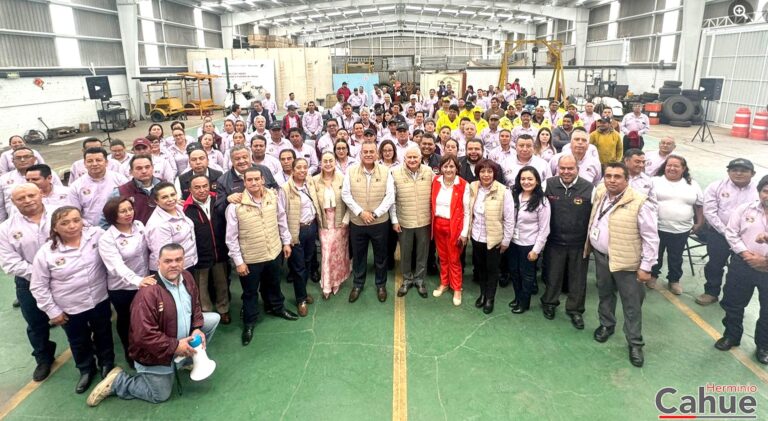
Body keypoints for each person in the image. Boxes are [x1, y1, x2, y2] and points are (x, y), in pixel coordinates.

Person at [86, 244, 220, 406]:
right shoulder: (147, 294)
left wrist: (197, 327)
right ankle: (118, 382)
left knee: (212, 319)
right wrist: (175, 346)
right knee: (160, 395)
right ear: (158, 263)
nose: (174, 264)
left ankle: (183, 361)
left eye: (178, 260)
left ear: (184, 261)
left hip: (176, 342)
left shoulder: (187, 277)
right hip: (154, 354)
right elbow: (143, 336)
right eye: (168, 261)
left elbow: (195, 306)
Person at [31, 206, 115, 393]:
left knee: (103, 333)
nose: (72, 226)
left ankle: (107, 363)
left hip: (99, 298)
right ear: (54, 228)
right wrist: (53, 312)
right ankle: (86, 369)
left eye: (76, 220)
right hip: (69, 307)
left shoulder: (96, 235)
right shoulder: (46, 253)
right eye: (65, 222)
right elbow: (38, 286)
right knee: (78, 340)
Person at [586, 162, 658, 367]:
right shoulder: (601, 194)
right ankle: (606, 325)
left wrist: (646, 267)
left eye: (617, 176)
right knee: (605, 293)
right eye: (608, 176)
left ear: (627, 180)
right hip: (602, 257)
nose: (612, 180)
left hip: (628, 262)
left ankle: (635, 342)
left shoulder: (640, 203)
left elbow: (651, 238)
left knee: (632, 303)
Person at [226, 168, 299, 346]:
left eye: (256, 179)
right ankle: (249, 322)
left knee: (274, 284)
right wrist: (239, 262)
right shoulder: (235, 206)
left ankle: (277, 308)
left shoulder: (272, 197)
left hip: (273, 252)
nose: (253, 183)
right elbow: (231, 238)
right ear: (244, 183)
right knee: (250, 293)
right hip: (250, 258)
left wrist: (286, 242)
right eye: (249, 180)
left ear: (263, 179)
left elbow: (281, 219)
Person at [0, 184, 58, 381]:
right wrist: (40, 274)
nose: (27, 200)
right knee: (36, 322)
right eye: (21, 198)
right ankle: (43, 357)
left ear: (41, 194)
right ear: (13, 202)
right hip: (28, 282)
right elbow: (9, 262)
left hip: (64, 278)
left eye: (31, 195)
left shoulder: (59, 214)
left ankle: (84, 351)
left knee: (73, 317)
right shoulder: (6, 229)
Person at [714, 175, 768, 364]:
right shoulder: (744, 210)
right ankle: (731, 335)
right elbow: (731, 233)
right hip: (742, 265)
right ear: (759, 192)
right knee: (733, 303)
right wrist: (746, 255)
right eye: (765, 191)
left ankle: (764, 346)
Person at [98, 197, 153, 368]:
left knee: (147, 319)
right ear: (112, 215)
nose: (128, 213)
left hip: (145, 280)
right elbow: (116, 267)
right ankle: (132, 353)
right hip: (123, 288)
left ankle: (149, 348)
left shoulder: (139, 226)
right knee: (128, 321)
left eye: (130, 209)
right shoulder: (107, 239)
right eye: (122, 211)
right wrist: (138, 280)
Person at [540, 155, 594, 327]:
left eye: (570, 168)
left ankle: (575, 310)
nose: (566, 172)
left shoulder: (589, 188)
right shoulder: (547, 185)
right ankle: (549, 303)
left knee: (577, 280)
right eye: (562, 168)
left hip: (578, 243)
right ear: (557, 168)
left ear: (577, 168)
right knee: (552, 275)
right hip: (554, 242)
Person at [697, 158, 758, 305]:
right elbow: (710, 212)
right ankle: (711, 292)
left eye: (743, 171)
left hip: (747, 237)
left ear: (753, 173)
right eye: (734, 170)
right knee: (715, 264)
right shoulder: (716, 187)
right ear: (728, 172)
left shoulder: (758, 190)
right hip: (719, 234)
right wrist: (727, 233)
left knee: (739, 269)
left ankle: (731, 299)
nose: (738, 173)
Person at [341, 140, 396, 303]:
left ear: (377, 154)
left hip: (379, 223)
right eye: (365, 152)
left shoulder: (386, 171)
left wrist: (375, 214)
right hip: (358, 223)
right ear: (360, 153)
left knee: (381, 256)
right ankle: (358, 284)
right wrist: (360, 212)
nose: (369, 154)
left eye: (372, 152)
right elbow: (346, 194)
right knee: (359, 256)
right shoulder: (351, 171)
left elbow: (390, 196)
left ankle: (381, 285)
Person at [650, 155, 704, 294]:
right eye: (669, 165)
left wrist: (699, 222)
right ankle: (653, 275)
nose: (672, 168)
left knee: (676, 257)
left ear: (683, 168)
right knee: (655, 254)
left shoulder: (693, 184)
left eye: (676, 166)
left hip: (682, 229)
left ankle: (674, 280)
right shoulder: (654, 181)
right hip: (656, 227)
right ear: (664, 166)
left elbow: (699, 205)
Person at [469, 159, 514, 314]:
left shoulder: (504, 191)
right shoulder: (473, 187)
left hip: (494, 239)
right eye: (482, 171)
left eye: (489, 171)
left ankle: (490, 298)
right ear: (478, 173)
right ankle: (482, 294)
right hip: (477, 236)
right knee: (480, 268)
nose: (486, 175)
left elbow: (509, 218)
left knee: (492, 270)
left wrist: (506, 240)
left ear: (495, 173)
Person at [183, 175, 230, 324]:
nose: (202, 190)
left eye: (205, 186)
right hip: (199, 255)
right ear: (190, 190)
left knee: (221, 283)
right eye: (197, 187)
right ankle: (206, 313)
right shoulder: (185, 208)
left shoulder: (219, 201)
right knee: (201, 287)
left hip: (220, 251)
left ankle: (223, 309)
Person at [390, 147, 433, 299]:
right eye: (410, 157)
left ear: (421, 158)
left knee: (423, 253)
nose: (413, 160)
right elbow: (392, 200)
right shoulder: (395, 173)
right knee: (405, 253)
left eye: (416, 157)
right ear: (404, 159)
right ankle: (407, 279)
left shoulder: (429, 172)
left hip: (424, 220)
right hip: (405, 221)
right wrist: (394, 220)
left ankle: (420, 280)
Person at [280, 158, 321, 317]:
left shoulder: (309, 184)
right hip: (295, 232)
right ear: (292, 170)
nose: (303, 170)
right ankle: (301, 299)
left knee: (308, 261)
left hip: (311, 228)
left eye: (305, 167)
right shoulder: (285, 189)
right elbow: (282, 215)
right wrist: (286, 240)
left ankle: (302, 292)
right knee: (298, 267)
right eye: (299, 168)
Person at [508, 167, 550, 314]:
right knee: (514, 271)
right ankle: (517, 297)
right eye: (523, 179)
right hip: (513, 242)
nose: (526, 182)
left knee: (527, 275)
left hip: (529, 244)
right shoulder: (515, 195)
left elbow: (544, 229)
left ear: (537, 181)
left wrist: (536, 250)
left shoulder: (542, 201)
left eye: (530, 179)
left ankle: (524, 303)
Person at [431, 154, 470, 305]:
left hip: (454, 227)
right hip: (438, 225)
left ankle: (457, 288)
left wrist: (464, 233)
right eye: (445, 166)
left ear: (457, 168)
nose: (448, 169)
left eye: (451, 166)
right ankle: (444, 283)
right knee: (442, 257)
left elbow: (467, 212)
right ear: (440, 168)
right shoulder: (435, 181)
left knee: (454, 259)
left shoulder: (463, 184)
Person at [313, 152, 351, 299]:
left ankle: (338, 280)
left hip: (340, 221)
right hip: (324, 222)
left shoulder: (343, 178)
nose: (328, 163)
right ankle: (327, 284)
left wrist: (346, 219)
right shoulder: (314, 180)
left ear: (335, 162)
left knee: (339, 254)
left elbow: (349, 200)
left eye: (331, 161)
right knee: (327, 252)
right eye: (325, 161)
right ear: (320, 163)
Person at [67, 147, 128, 226]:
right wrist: (90, 227)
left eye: (98, 160)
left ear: (106, 162)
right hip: (90, 230)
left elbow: (129, 204)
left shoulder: (120, 180)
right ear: (84, 164)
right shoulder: (76, 186)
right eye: (90, 161)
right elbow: (74, 213)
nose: (94, 164)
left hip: (118, 226)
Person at [145, 182, 198, 272]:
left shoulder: (179, 208)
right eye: (164, 197)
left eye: (172, 195)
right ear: (156, 201)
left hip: (187, 264)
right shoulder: (158, 225)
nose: (170, 199)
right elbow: (164, 256)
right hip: (172, 270)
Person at [115, 155, 161, 225]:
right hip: (134, 234)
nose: (144, 171)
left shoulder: (165, 186)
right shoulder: (120, 192)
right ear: (131, 171)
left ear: (153, 168)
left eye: (147, 167)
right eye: (139, 168)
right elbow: (107, 219)